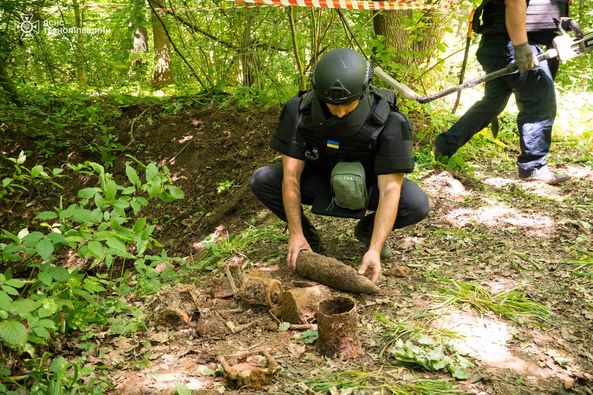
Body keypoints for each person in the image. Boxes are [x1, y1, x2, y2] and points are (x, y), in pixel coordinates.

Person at [250, 48, 430, 283]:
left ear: (364, 92)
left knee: (416, 203)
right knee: (262, 179)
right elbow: (291, 177)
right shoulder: (300, 110)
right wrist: (295, 233)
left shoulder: (390, 122)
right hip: (321, 180)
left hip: (369, 185)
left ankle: (368, 231)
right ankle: (308, 240)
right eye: (333, 106)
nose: (341, 112)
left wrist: (375, 249)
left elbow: (390, 190)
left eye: (348, 105)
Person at [433, 0, 570, 185]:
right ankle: (533, 166)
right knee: (538, 104)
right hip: (514, 45)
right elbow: (514, 3)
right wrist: (521, 47)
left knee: (492, 103)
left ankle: (444, 145)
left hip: (501, 45)